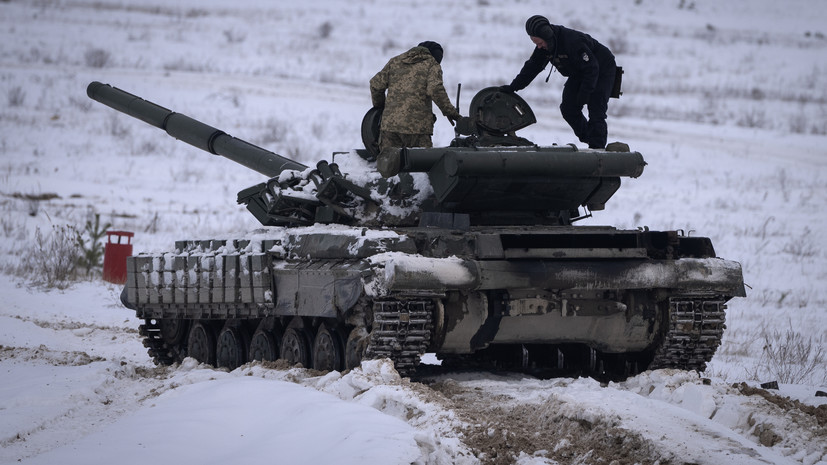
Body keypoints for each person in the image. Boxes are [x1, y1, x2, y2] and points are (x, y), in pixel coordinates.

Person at [500, 15, 617, 149]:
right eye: (535, 44)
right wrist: (514, 87)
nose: (539, 47)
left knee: (596, 109)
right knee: (568, 109)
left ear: (547, 36)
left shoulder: (573, 42)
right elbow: (531, 68)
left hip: (601, 68)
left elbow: (592, 68)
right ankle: (590, 138)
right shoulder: (544, 47)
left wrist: (585, 92)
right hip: (579, 71)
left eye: (540, 43)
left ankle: (598, 149)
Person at [370, 41, 462, 176]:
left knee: (388, 169)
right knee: (421, 173)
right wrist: (450, 112)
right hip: (418, 130)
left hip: (389, 128)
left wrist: (381, 109)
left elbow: (375, 85)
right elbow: (435, 89)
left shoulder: (395, 61)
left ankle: (386, 196)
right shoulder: (432, 64)